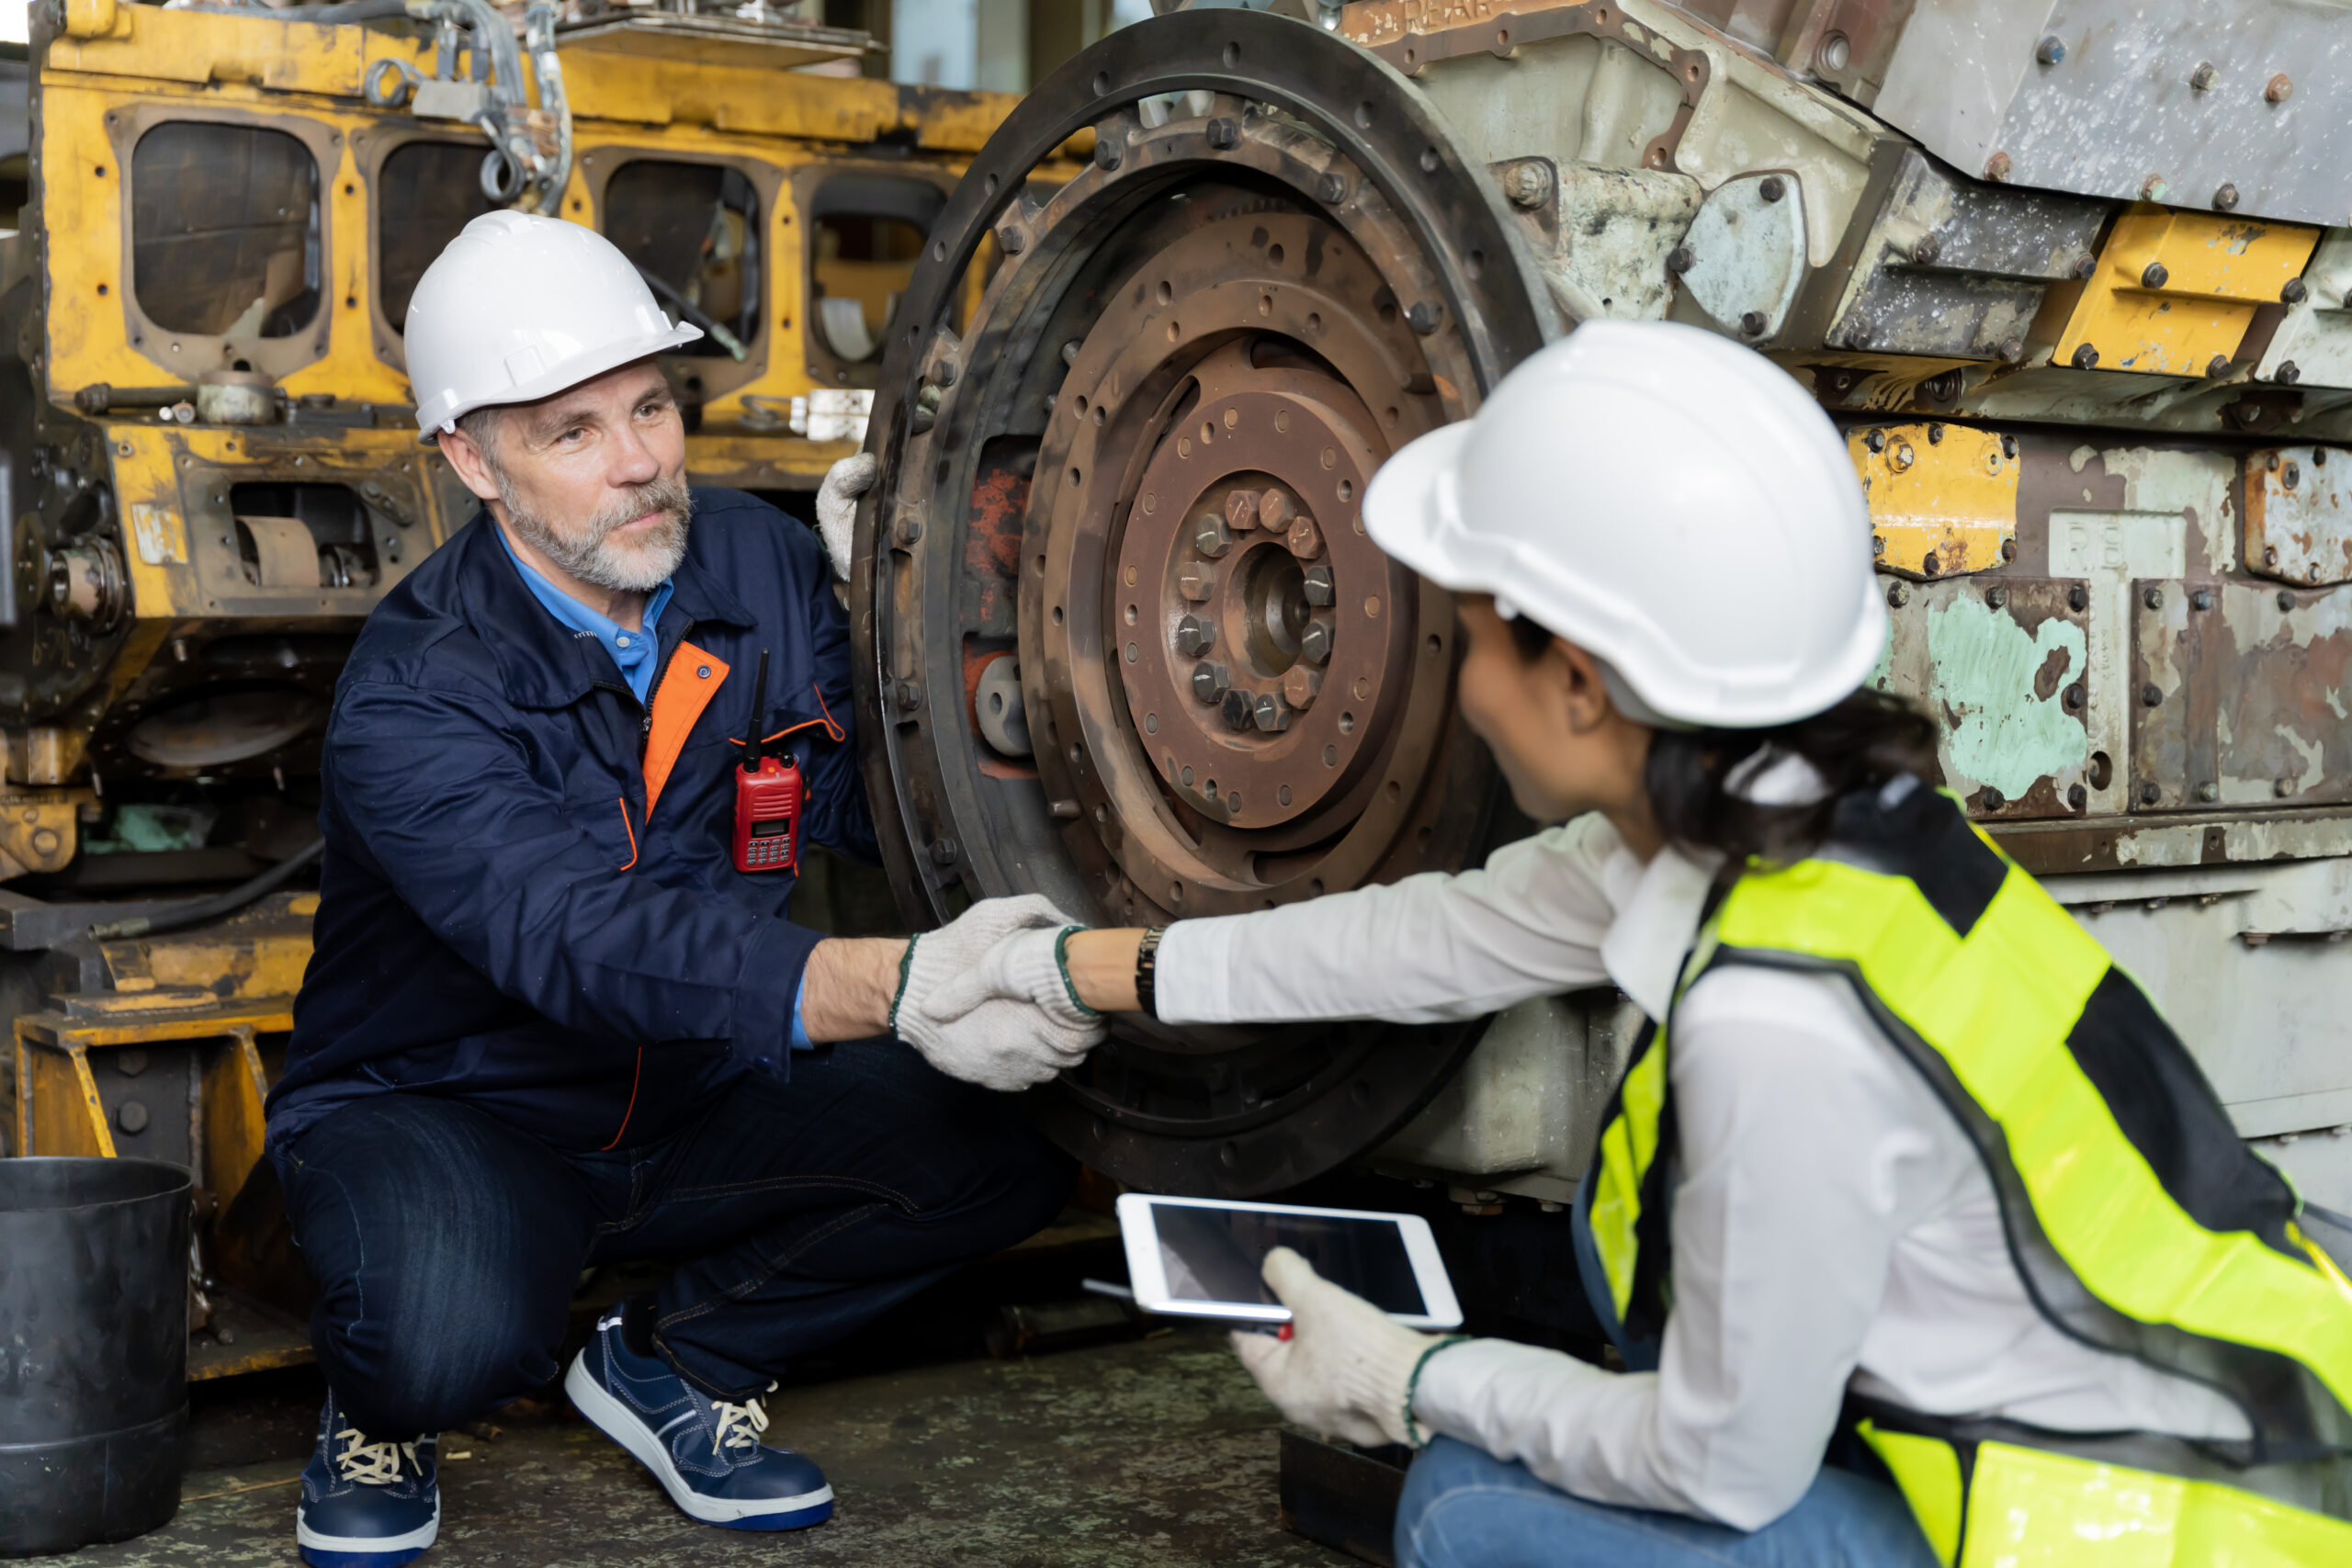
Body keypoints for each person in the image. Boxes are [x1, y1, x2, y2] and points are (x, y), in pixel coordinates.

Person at [932, 322, 2352, 1565]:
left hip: (2129, 1531)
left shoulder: (1778, 1021)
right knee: (1603, 1316)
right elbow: (1430, 940)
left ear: (1580, 683)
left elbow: (1724, 1471)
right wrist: (1084, 969)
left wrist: (1416, 1381)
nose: (1464, 685)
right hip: (2219, 1387)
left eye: (1473, 638)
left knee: (1470, 1508)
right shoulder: (1829, 820)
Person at [266, 212, 1098, 1568]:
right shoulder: (415, 690)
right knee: (446, 1343)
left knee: (1013, 1140)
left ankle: (671, 1356)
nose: (644, 462)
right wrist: (883, 981)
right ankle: (377, 1411)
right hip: (466, 1111)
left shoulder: (758, 569)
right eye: (574, 433)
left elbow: (856, 808)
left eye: (651, 406)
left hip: (699, 1087)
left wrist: (919, 632)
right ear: (473, 459)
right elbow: (571, 933)